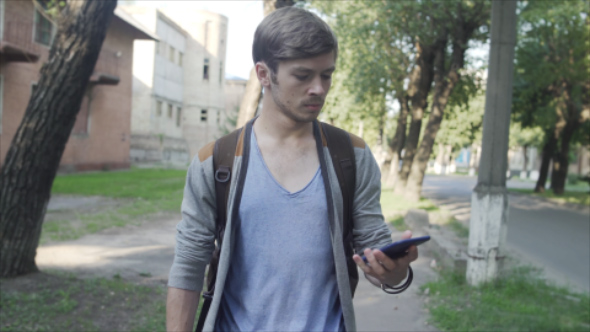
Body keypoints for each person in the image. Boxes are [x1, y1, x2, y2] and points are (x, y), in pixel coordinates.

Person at [166, 7, 418, 332]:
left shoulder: (351, 155)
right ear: (263, 74)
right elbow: (188, 266)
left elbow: (371, 247)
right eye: (303, 76)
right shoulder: (215, 161)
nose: (319, 88)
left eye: (326, 75)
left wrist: (393, 271)